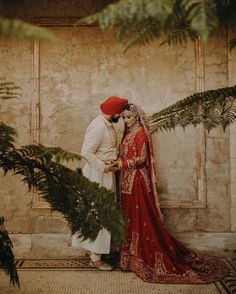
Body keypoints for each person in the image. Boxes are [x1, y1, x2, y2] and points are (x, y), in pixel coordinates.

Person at [113, 103, 229, 283]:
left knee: (141, 217)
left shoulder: (141, 133)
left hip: (137, 182)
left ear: (137, 116)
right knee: (129, 217)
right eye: (124, 118)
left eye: (129, 117)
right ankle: (130, 258)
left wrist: (121, 164)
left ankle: (143, 256)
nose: (126, 121)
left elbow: (141, 158)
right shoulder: (128, 134)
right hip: (127, 182)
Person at [71, 96, 128, 271]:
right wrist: (104, 167)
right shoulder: (98, 126)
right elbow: (86, 153)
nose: (121, 115)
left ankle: (99, 252)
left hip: (105, 174)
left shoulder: (106, 124)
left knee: (104, 213)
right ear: (114, 113)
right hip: (97, 175)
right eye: (120, 112)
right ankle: (95, 259)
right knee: (99, 214)